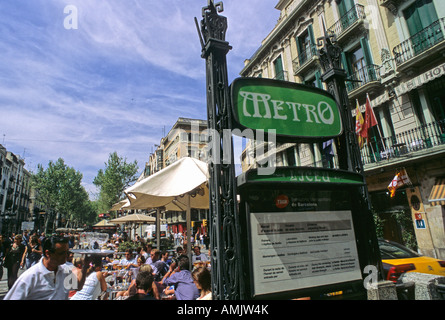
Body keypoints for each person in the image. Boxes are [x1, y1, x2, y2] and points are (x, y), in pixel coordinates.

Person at [4, 236, 72, 300]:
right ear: (48, 253)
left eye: (67, 252)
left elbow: (77, 287)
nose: (66, 255)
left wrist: (82, 270)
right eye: (61, 253)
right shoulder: (30, 277)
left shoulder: (66, 271)